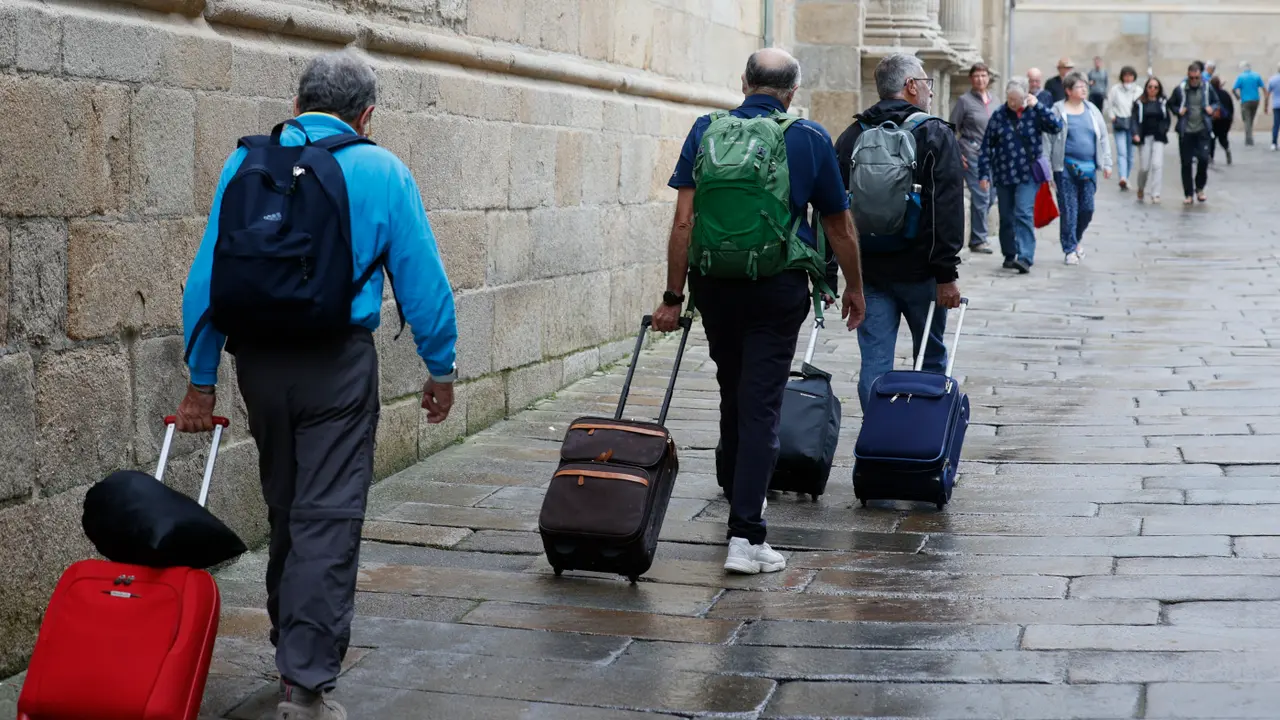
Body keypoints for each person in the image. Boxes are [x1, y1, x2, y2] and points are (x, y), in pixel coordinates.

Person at [177, 50, 459, 720]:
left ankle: (290, 644)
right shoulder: (381, 169)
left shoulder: (246, 163)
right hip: (336, 362)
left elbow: (204, 282)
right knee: (327, 515)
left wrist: (200, 380)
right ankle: (304, 685)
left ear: (299, 101)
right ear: (366, 114)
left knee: (287, 509)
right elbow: (423, 284)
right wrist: (439, 367)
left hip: (260, 365)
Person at [654, 48, 865, 575]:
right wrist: (855, 287)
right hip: (778, 285)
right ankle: (747, 536)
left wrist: (673, 296)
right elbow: (839, 227)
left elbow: (683, 222)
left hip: (714, 284)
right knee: (763, 403)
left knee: (734, 386)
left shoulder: (706, 128)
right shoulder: (808, 136)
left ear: (743, 81)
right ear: (792, 92)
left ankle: (737, 489)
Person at [835, 52, 963, 412]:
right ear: (910, 86)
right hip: (922, 273)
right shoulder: (935, 133)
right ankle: (921, 437)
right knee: (931, 357)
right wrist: (946, 274)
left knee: (874, 363)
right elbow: (947, 211)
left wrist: (838, 272)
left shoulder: (851, 135)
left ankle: (879, 436)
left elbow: (833, 211)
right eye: (926, 83)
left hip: (868, 271)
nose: (930, 92)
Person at [978, 78, 1062, 274]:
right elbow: (986, 147)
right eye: (1009, 98)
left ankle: (1025, 257)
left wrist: (1039, 107)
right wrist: (983, 174)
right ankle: (1010, 254)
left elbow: (1056, 126)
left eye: (1015, 99)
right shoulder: (999, 115)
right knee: (1006, 217)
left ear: (1025, 97)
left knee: (1023, 213)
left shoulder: (1034, 112)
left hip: (1027, 175)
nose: (1012, 103)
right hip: (1004, 174)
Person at [1049, 72, 1113, 265]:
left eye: (1085, 86)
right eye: (1079, 86)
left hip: (1089, 168)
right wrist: (1048, 168)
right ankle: (1069, 249)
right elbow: (1049, 139)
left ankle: (1075, 239)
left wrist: (1107, 162)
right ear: (1068, 91)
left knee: (1087, 208)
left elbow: (1102, 137)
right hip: (1065, 168)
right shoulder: (1058, 110)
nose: (1084, 89)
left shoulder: (1092, 109)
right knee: (1069, 209)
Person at [949, 62, 996, 254]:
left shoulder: (996, 101)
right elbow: (951, 130)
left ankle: (980, 233)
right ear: (971, 79)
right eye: (976, 76)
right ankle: (978, 239)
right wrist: (957, 155)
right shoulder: (964, 101)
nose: (980, 79)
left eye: (983, 75)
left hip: (992, 156)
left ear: (988, 78)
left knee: (992, 196)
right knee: (981, 194)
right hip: (971, 152)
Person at [1167, 61, 1220, 204]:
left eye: (1197, 78)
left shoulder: (1207, 88)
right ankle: (1188, 194)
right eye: (1192, 78)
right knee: (1186, 163)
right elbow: (1171, 103)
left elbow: (1217, 101)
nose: (1194, 81)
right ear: (1188, 77)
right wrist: (1178, 111)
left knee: (1203, 159)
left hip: (1203, 129)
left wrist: (1212, 108)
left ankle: (1200, 188)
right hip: (1186, 130)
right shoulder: (1181, 89)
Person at [1132, 75, 1171, 204]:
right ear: (1146, 88)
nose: (1153, 89)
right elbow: (1135, 119)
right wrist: (1136, 133)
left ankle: (1155, 193)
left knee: (1157, 165)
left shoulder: (1163, 102)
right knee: (1144, 167)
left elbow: (1167, 119)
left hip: (1158, 137)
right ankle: (1141, 187)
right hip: (1145, 137)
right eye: (1150, 87)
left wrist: (1164, 129)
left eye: (1156, 87)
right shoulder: (1140, 103)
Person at [1105, 66, 1142, 191]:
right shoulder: (1115, 89)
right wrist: (1112, 116)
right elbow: (1109, 104)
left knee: (1130, 154)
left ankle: (1126, 176)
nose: (1128, 78)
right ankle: (1122, 177)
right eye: (1125, 75)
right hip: (1120, 122)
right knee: (1122, 152)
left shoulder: (1138, 90)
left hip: (1133, 124)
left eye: (1130, 75)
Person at [1233, 61, 1266, 146]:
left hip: (1245, 101)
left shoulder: (1241, 77)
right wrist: (1266, 98)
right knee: (1251, 118)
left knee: (1246, 119)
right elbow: (1263, 87)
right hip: (1255, 100)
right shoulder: (1256, 75)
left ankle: (1249, 139)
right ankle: (1249, 135)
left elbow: (1233, 89)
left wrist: (1237, 97)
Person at [1210, 75, 1235, 165]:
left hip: (1213, 120)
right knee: (1223, 137)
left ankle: (1211, 157)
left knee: (1211, 138)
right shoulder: (1225, 93)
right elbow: (1231, 107)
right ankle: (1227, 149)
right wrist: (1230, 119)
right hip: (1225, 120)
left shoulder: (1210, 94)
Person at [1267, 61, 1280, 151]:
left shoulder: (1272, 79)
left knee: (1276, 125)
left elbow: (1268, 94)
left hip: (1276, 105)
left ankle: (1274, 143)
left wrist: (1265, 105)